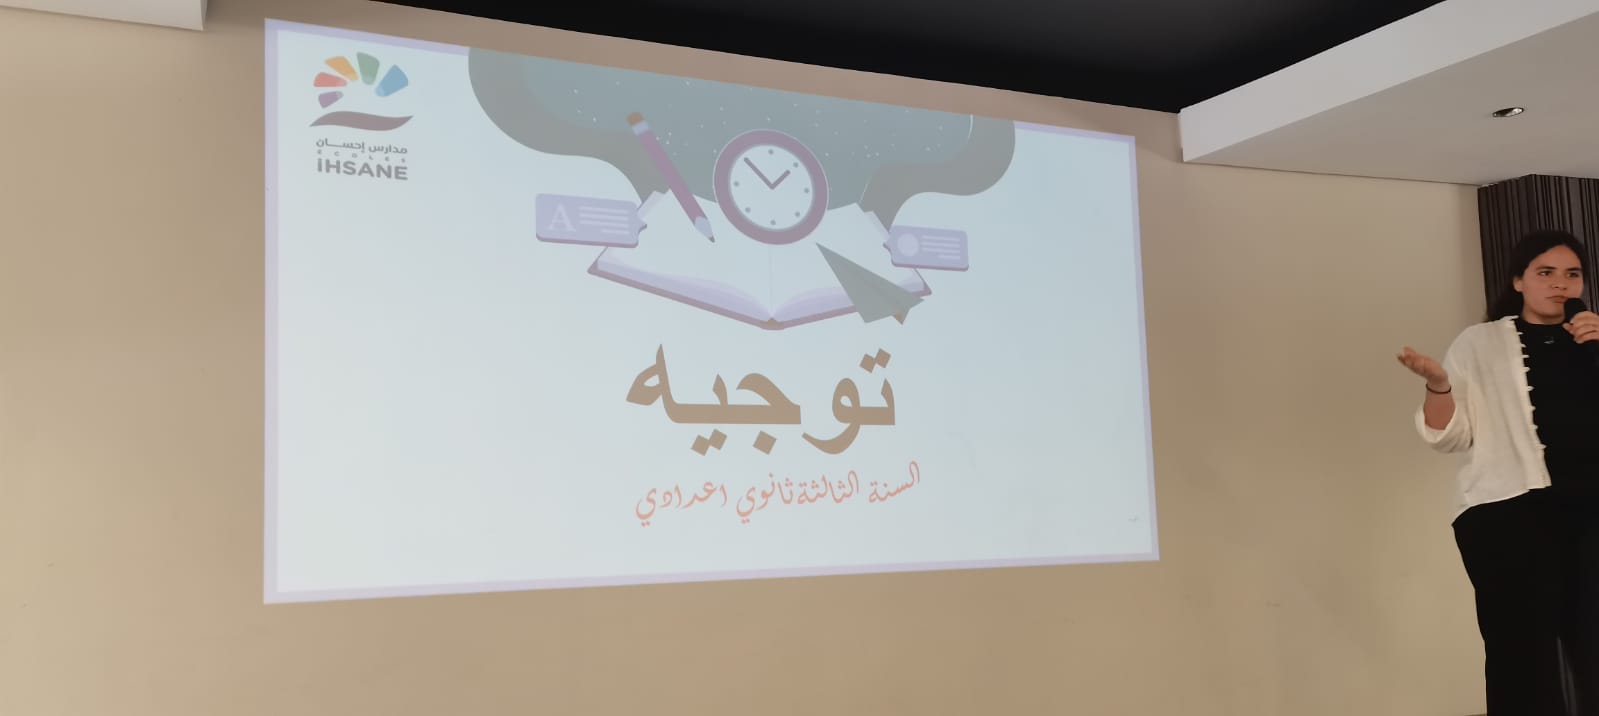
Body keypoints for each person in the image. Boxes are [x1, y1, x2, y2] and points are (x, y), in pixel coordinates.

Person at [1397, 228, 1599, 714]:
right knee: (1521, 652)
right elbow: (1451, 437)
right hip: (1510, 515)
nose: (1561, 284)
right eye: (1545, 272)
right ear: (1518, 281)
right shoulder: (1480, 343)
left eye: (1572, 274)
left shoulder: (1593, 338)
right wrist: (1439, 386)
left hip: (1590, 512)